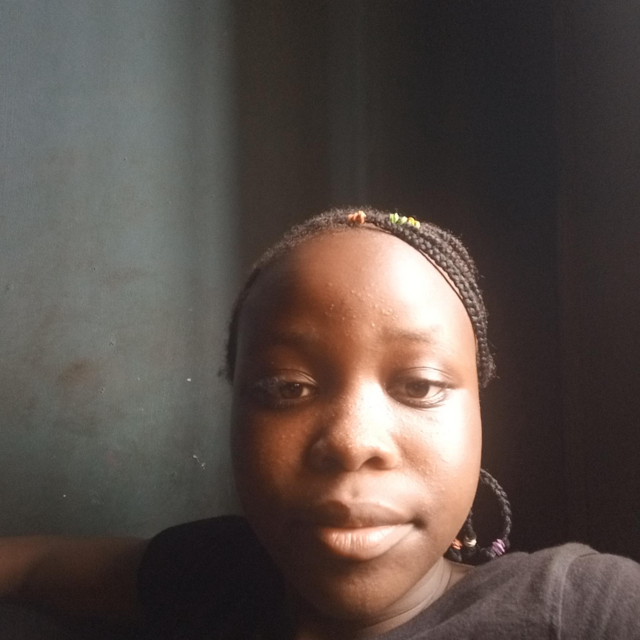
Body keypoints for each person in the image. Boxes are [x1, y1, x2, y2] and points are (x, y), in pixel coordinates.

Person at [1, 207, 639, 639]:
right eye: (287, 387)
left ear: (478, 415)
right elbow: (30, 566)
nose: (353, 442)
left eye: (419, 386)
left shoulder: (585, 609)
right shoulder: (217, 574)